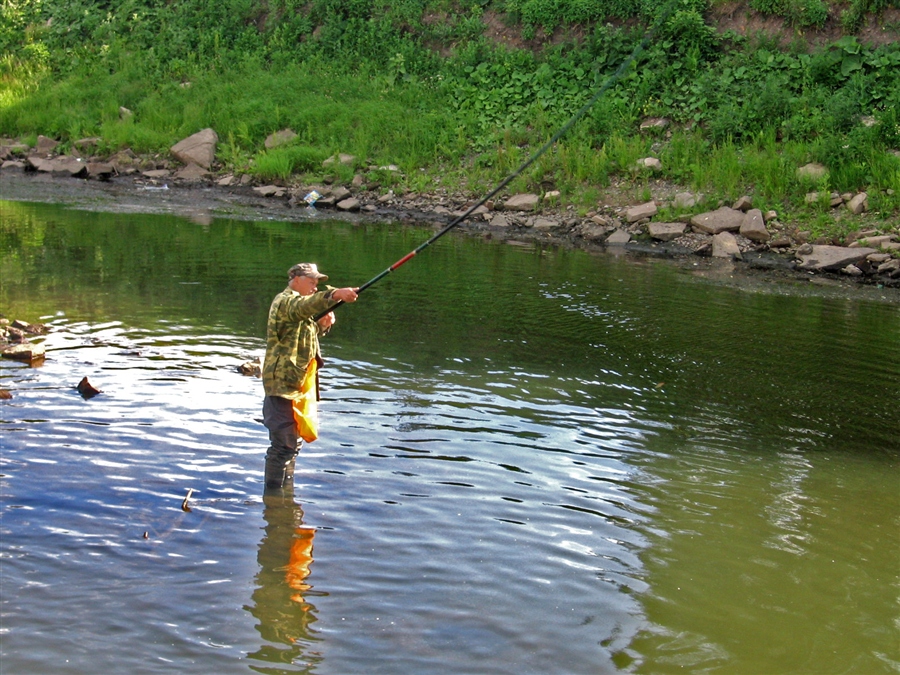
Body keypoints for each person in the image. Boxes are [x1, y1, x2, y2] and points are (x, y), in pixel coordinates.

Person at [262, 262, 358, 490]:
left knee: (293, 444)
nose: (315, 287)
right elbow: (303, 307)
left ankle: (285, 493)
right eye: (311, 282)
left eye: (317, 283)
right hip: (281, 385)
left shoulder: (301, 310)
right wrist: (335, 294)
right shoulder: (285, 301)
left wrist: (322, 326)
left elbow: (304, 335)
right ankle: (274, 499)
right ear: (295, 278)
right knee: (283, 445)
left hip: (298, 385)